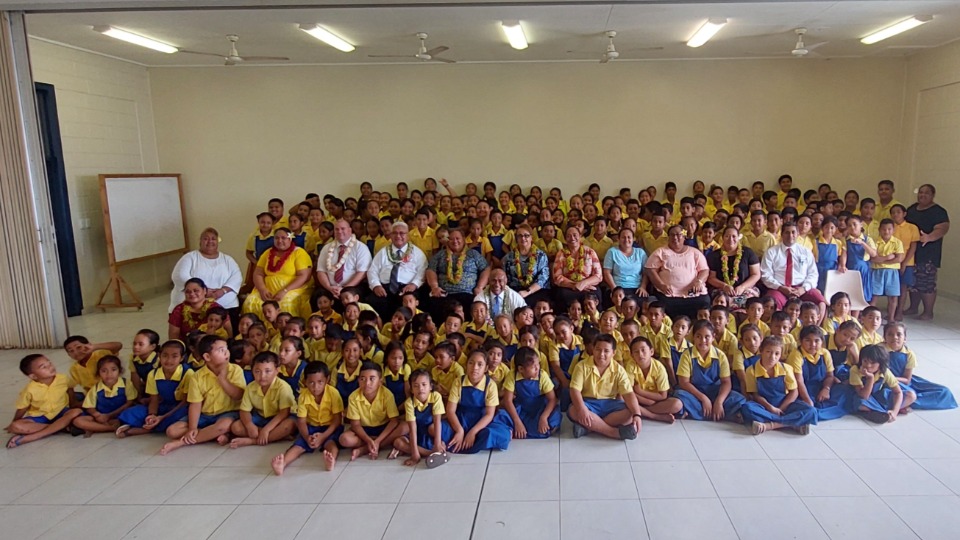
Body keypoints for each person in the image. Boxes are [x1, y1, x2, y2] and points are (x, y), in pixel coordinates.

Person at [160, 335, 246, 455]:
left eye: (226, 348)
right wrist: (192, 428)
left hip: (228, 412)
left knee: (223, 425)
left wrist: (223, 380)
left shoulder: (235, 370)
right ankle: (212, 434)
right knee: (172, 431)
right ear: (207, 356)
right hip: (205, 415)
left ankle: (181, 443)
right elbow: (195, 405)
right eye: (221, 350)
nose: (226, 352)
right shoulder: (197, 376)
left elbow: (238, 396)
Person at [567, 333, 643, 440]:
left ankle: (589, 428)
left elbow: (628, 394)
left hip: (609, 404)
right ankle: (614, 432)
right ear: (593, 349)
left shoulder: (619, 369)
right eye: (598, 349)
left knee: (631, 412)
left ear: (613, 353)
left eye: (606, 351)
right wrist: (582, 409)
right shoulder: (581, 366)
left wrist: (637, 415)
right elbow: (574, 390)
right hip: (589, 404)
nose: (601, 354)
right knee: (574, 410)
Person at [273, 362, 343, 474]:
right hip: (311, 427)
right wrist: (306, 437)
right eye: (311, 382)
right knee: (298, 446)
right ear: (305, 381)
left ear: (327, 380)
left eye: (320, 382)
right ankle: (283, 463)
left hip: (330, 427)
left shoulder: (333, 394)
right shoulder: (303, 396)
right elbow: (301, 421)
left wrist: (323, 436)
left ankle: (331, 461)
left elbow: (337, 420)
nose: (316, 387)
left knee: (331, 445)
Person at [739, 336, 817, 435]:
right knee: (747, 408)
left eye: (777, 354)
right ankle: (792, 423)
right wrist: (770, 408)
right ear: (761, 351)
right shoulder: (751, 370)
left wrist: (781, 408)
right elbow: (755, 395)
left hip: (785, 404)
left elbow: (794, 391)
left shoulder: (786, 368)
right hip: (765, 406)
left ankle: (769, 425)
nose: (772, 357)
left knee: (811, 411)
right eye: (768, 352)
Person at [115, 340, 192, 438]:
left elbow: (185, 402)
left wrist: (162, 417)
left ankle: (143, 429)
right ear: (159, 356)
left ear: (182, 358)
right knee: (131, 412)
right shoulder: (153, 374)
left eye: (174, 356)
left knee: (178, 417)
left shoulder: (187, 373)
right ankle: (152, 425)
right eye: (165, 355)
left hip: (179, 408)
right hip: (162, 405)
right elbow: (154, 399)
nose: (169, 360)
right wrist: (152, 415)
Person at [673, 320, 746, 422]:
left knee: (738, 398)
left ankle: (699, 412)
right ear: (693, 337)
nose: (703, 340)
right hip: (695, 394)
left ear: (713, 337)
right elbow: (684, 382)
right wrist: (703, 398)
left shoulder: (720, 355)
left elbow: (726, 382)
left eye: (707, 337)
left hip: (715, 392)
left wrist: (719, 402)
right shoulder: (687, 355)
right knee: (679, 395)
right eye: (698, 336)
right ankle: (719, 414)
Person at [169, 228, 243, 328]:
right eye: (206, 238)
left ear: (217, 242)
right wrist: (203, 291)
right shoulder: (190, 257)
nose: (210, 241)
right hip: (195, 304)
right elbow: (180, 275)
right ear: (200, 241)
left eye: (213, 239)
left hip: (225, 305)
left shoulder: (227, 259)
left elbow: (237, 276)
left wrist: (223, 291)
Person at [6, 354, 83, 448]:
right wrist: (14, 423)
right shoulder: (29, 389)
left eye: (49, 363)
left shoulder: (63, 378)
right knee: (16, 426)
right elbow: (22, 408)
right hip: (41, 417)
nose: (50, 367)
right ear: (33, 376)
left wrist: (73, 403)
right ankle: (61, 427)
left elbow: (70, 389)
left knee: (76, 412)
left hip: (61, 412)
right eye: (44, 367)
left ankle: (34, 436)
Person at [444, 350, 514, 453]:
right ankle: (460, 439)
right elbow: (450, 411)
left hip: (483, 420)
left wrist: (473, 432)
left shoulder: (490, 385)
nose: (475, 368)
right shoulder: (458, 381)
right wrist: (459, 430)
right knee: (435, 429)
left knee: (494, 433)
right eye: (471, 363)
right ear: (466, 365)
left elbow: (489, 415)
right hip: (462, 419)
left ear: (486, 368)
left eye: (480, 364)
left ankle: (473, 438)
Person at [226, 351, 298, 448]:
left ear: (277, 371)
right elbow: (244, 411)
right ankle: (276, 436)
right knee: (236, 427)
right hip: (260, 418)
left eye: (268, 371)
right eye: (257, 371)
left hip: (279, 419)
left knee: (289, 425)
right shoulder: (250, 387)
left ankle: (253, 441)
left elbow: (283, 413)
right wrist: (249, 425)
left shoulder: (283, 387)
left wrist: (266, 430)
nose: (262, 376)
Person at [242, 228, 314, 320]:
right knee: (250, 301)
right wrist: (262, 289)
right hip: (267, 290)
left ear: (290, 239)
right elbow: (258, 273)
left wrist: (284, 291)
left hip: (292, 289)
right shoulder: (267, 253)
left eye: (283, 238)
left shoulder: (299, 253)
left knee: (285, 303)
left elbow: (304, 276)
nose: (280, 241)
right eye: (277, 238)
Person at [339, 361, 404, 460]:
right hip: (364, 430)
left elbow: (394, 421)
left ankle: (366, 449)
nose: (367, 383)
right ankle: (375, 444)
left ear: (380, 381)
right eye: (362, 379)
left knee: (405, 426)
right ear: (358, 380)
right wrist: (369, 440)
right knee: (344, 439)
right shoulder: (353, 396)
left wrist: (378, 440)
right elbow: (355, 425)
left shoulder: (387, 394)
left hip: (384, 428)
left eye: (372, 379)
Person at [884, 322, 957, 410]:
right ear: (884, 337)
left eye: (899, 334)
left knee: (944, 392)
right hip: (886, 383)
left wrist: (893, 378)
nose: (895, 337)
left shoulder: (909, 354)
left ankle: (906, 402)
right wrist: (889, 379)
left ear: (905, 338)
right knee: (907, 393)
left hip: (901, 381)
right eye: (890, 334)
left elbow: (907, 380)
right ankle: (904, 402)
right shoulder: (880, 350)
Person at [644, 225, 710, 320]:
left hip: (694, 295)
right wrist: (661, 285)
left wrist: (698, 282)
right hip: (669, 295)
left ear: (684, 237)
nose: (675, 238)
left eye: (679, 235)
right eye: (672, 235)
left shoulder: (694, 252)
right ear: (668, 237)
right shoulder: (661, 252)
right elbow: (650, 269)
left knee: (705, 303)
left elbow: (704, 270)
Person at [761, 222, 826, 317]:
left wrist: (803, 288)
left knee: (820, 301)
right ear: (782, 234)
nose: (790, 235)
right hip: (779, 288)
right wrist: (780, 287)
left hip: (801, 288)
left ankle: (815, 329)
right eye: (787, 232)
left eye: (793, 232)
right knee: (771, 302)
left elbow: (813, 274)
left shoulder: (805, 252)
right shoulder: (772, 252)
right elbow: (765, 275)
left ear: (798, 234)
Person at [905, 184, 950, 320]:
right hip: (912, 253)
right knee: (913, 283)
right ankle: (913, 307)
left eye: (926, 193)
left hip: (929, 254)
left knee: (926, 283)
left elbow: (943, 228)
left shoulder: (938, 211)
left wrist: (928, 237)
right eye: (921, 192)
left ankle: (928, 312)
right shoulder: (912, 209)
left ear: (932, 195)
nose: (922, 195)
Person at [424, 228, 490, 321]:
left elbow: (486, 269)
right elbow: (430, 270)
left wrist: (479, 287)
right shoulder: (440, 255)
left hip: (467, 293)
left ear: (463, 239)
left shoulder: (473, 254)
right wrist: (434, 287)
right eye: (451, 239)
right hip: (445, 293)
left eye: (457, 238)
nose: (455, 241)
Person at [365, 221, 427, 317]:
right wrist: (376, 285)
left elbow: (422, 271)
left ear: (408, 235)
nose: (398, 236)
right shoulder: (383, 252)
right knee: (372, 300)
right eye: (395, 233)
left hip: (407, 287)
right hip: (384, 287)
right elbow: (372, 270)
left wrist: (414, 284)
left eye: (402, 233)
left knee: (410, 300)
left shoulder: (417, 253)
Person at [501, 346, 562, 439]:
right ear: (521, 369)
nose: (538, 368)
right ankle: (524, 429)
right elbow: (507, 401)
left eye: (538, 364)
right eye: (534, 367)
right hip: (521, 411)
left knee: (555, 415)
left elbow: (552, 399)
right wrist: (517, 422)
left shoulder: (542, 375)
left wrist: (543, 417)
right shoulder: (512, 375)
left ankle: (519, 432)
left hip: (540, 409)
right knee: (502, 415)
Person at [71, 355, 138, 436]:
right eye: (104, 371)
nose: (109, 374)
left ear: (119, 371)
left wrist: (109, 415)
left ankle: (96, 428)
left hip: (121, 414)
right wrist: (97, 415)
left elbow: (129, 403)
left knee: (132, 416)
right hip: (101, 417)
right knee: (78, 421)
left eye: (113, 370)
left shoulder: (126, 384)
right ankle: (111, 428)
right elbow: (89, 406)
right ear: (98, 373)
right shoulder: (96, 388)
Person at [848, 344, 915, 424]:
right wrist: (870, 378)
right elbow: (864, 395)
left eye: (873, 363)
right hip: (865, 397)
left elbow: (898, 392)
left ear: (881, 364)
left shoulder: (885, 371)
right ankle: (881, 412)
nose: (868, 365)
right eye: (865, 361)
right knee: (861, 403)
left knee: (911, 395)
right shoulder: (855, 370)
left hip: (879, 396)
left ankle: (880, 412)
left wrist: (895, 412)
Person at [706, 226, 761, 310]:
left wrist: (742, 287)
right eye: (727, 236)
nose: (730, 239)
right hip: (722, 290)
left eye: (734, 236)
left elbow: (756, 274)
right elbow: (711, 278)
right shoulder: (714, 255)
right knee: (721, 300)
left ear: (738, 237)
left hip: (745, 289)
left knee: (751, 301)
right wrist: (724, 286)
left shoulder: (748, 252)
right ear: (722, 238)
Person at [316, 219, 373, 300]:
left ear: (350, 230)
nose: (339, 231)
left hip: (353, 286)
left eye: (343, 229)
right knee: (317, 297)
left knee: (348, 297)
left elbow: (362, 273)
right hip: (330, 287)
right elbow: (321, 271)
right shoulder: (326, 248)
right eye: (337, 229)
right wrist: (329, 287)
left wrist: (344, 289)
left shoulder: (361, 247)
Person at [552, 225, 603, 308]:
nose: (572, 238)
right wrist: (574, 285)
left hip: (588, 285)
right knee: (562, 295)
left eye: (575, 235)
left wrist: (584, 283)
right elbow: (557, 277)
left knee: (594, 295)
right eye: (568, 236)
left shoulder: (590, 251)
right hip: (568, 287)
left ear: (580, 236)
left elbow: (598, 276)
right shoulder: (561, 254)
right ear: (565, 239)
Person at [502, 224, 551, 307]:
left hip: (536, 290)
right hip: (515, 290)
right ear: (516, 239)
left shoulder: (540, 255)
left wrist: (528, 291)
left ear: (531, 238)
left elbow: (543, 278)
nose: (523, 238)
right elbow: (505, 278)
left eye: (526, 235)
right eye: (520, 236)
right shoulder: (509, 257)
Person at [603, 227, 650, 298]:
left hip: (637, 288)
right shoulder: (612, 252)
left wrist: (643, 287)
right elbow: (607, 273)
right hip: (617, 287)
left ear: (633, 239)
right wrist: (614, 289)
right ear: (618, 239)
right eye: (623, 237)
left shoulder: (640, 252)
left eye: (629, 237)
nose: (626, 240)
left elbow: (646, 273)